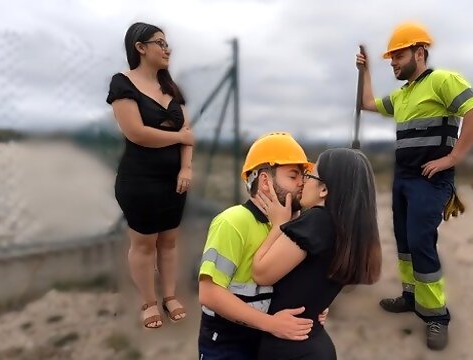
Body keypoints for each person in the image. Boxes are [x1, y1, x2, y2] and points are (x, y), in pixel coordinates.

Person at [356, 22, 473, 350]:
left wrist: (452, 158)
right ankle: (411, 297)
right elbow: (367, 104)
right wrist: (366, 71)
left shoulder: (443, 81)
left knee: (420, 242)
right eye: (390, 59)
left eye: (398, 56)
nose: (394, 63)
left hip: (431, 181)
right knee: (404, 243)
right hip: (404, 179)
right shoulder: (402, 95)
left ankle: (436, 316)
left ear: (420, 52)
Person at [198, 132, 328, 360]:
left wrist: (315, 305)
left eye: (304, 176)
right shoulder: (232, 221)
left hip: (267, 340)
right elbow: (209, 294)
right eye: (293, 176)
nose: (302, 183)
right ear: (266, 181)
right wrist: (271, 324)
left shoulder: (296, 224)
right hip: (227, 342)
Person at [251, 148, 382, 360]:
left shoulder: (315, 222)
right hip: (314, 342)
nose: (303, 182)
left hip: (288, 347)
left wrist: (279, 225)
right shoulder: (348, 229)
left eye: (310, 175)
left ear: (324, 190)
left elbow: (261, 273)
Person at [106, 22, 194, 329]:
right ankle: (148, 300)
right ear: (140, 48)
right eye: (160, 43)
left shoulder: (172, 89)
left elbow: (188, 134)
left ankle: (169, 296)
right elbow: (137, 133)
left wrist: (186, 166)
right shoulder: (123, 84)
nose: (167, 48)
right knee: (144, 243)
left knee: (168, 241)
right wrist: (181, 137)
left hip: (175, 181)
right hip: (139, 180)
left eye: (168, 43)